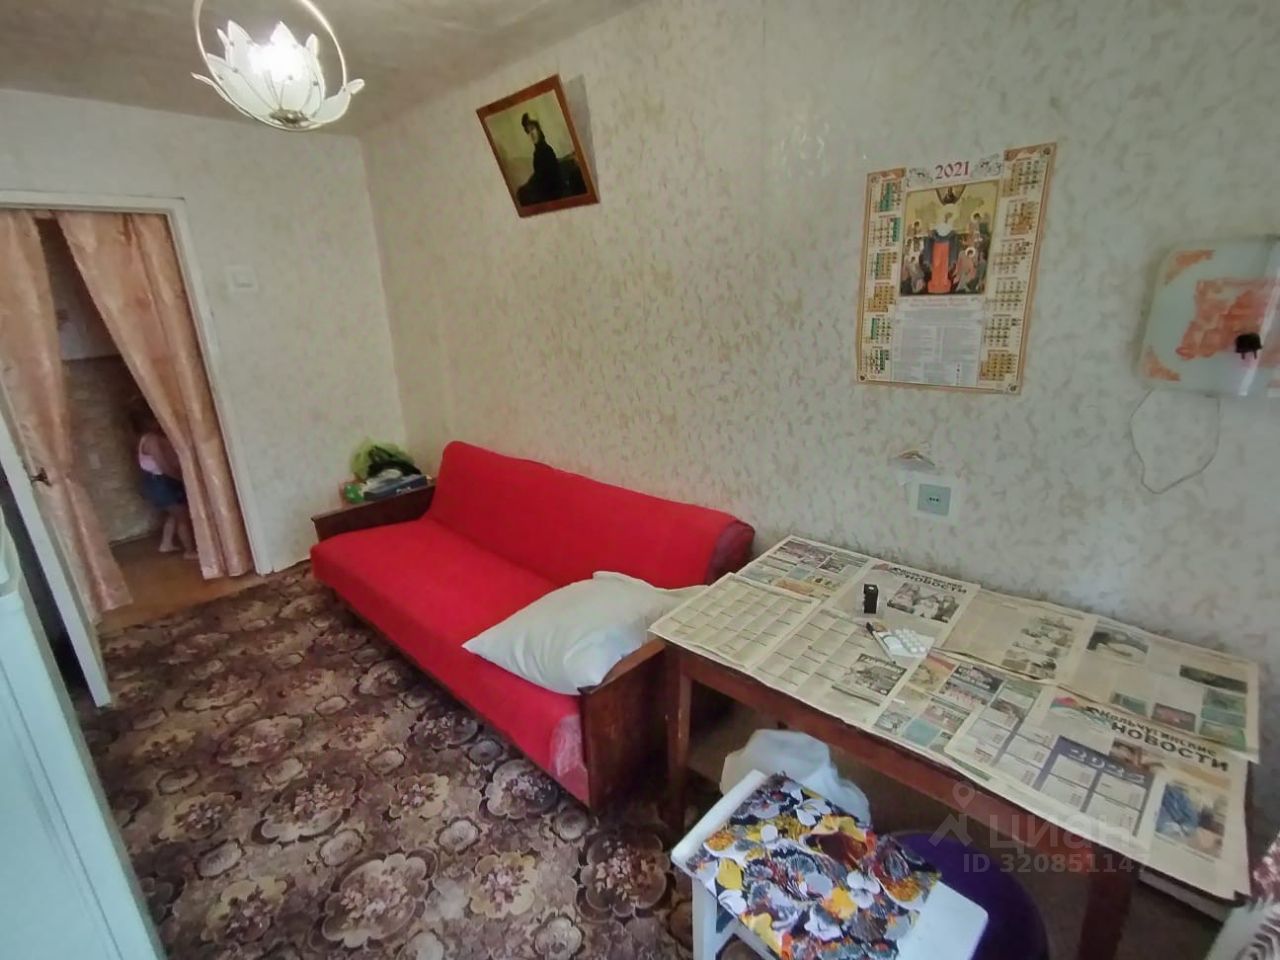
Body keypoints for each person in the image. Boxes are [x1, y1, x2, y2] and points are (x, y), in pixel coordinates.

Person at [130, 405, 196, 559]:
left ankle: (166, 544)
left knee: (173, 514)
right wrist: (180, 478)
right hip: (161, 483)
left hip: (155, 482)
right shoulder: (152, 440)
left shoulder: (143, 439)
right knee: (182, 517)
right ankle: (189, 551)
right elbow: (164, 465)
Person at [516, 113, 566, 206]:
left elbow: (545, 176)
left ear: (538, 130)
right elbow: (538, 174)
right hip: (546, 188)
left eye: (532, 129)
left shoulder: (546, 150)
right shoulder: (537, 152)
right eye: (528, 132)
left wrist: (528, 186)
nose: (531, 134)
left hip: (553, 192)